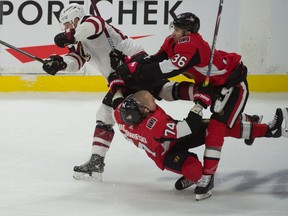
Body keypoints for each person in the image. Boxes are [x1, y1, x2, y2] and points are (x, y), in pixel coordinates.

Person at [114, 12, 253, 197]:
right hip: (215, 85)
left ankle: (207, 178)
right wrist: (132, 64)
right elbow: (156, 59)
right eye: (174, 28)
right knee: (217, 122)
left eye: (178, 30)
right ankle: (250, 123)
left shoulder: (191, 45)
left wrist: (134, 70)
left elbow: (167, 69)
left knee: (217, 128)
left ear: (188, 32)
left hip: (231, 81)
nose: (174, 33)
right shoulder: (173, 41)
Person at [112, 89, 288, 200]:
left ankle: (267, 129)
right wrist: (200, 103)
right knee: (195, 170)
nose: (153, 101)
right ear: (142, 112)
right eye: (149, 103)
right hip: (167, 153)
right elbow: (189, 127)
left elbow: (117, 97)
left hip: (171, 136)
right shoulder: (152, 126)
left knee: (216, 127)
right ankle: (196, 178)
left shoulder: (121, 113)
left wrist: (117, 85)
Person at [41, 3, 151, 180]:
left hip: (136, 65)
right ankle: (96, 162)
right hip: (122, 77)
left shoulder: (92, 22)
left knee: (112, 113)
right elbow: (76, 60)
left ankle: (97, 163)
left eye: (68, 24)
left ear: (76, 19)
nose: (66, 28)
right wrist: (59, 63)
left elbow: (91, 27)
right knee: (106, 114)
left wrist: (70, 35)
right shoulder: (80, 40)